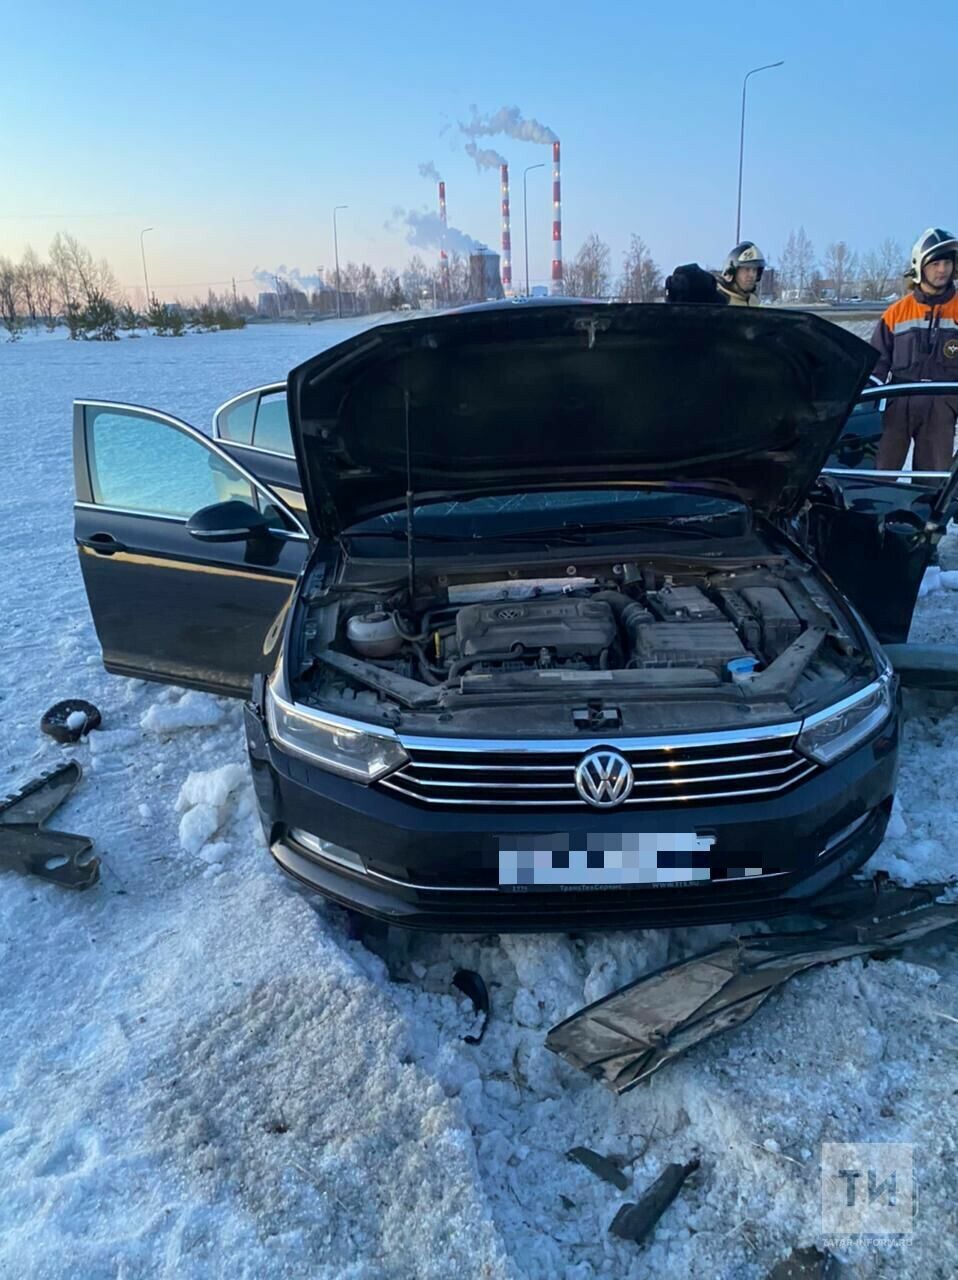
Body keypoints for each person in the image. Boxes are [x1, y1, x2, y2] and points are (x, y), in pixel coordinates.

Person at [872, 227, 958, 472]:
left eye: (947, 263)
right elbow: (876, 366)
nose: (942, 270)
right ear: (920, 267)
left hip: (942, 409)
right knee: (878, 476)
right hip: (898, 404)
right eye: (935, 263)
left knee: (930, 484)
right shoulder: (895, 314)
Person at [715, 242, 766, 306]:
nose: (752, 275)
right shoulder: (717, 299)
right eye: (747, 269)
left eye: (755, 270)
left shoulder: (754, 300)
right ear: (732, 272)